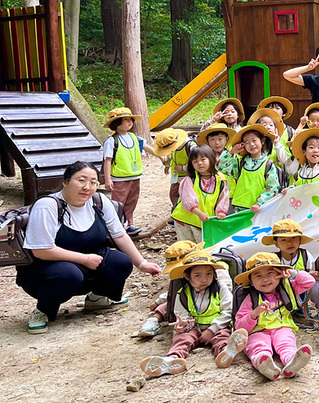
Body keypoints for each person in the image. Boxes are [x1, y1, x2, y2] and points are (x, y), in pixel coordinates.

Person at [16, 162, 162, 334]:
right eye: (81, 180)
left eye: (93, 182)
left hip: (89, 264)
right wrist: (84, 259)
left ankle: (97, 299)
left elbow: (119, 235)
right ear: (65, 181)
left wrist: (142, 264)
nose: (87, 187)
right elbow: (41, 250)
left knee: (121, 261)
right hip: (46, 271)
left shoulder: (99, 202)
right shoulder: (47, 206)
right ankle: (42, 310)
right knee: (69, 274)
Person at [140, 251, 248, 378]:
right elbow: (181, 314)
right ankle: (173, 358)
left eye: (209, 274)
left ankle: (225, 352)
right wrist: (183, 325)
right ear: (187, 276)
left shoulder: (220, 287)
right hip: (193, 327)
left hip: (217, 326)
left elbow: (228, 311)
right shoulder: (182, 293)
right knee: (182, 338)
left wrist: (212, 330)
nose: (204, 279)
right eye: (198, 275)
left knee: (222, 336)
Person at [234, 252, 315, 380]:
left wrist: (293, 274)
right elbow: (239, 326)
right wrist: (254, 314)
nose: (265, 279)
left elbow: (310, 282)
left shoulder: (288, 288)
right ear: (250, 280)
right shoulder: (250, 298)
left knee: (286, 342)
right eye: (258, 276)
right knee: (257, 344)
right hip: (258, 331)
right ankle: (263, 362)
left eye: (270, 274)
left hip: (282, 327)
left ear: (279, 274)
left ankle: (291, 362)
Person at [171, 144, 230, 243]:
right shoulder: (189, 180)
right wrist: (199, 213)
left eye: (203, 159)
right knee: (186, 248)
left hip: (203, 222)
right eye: (195, 161)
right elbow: (187, 200)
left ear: (211, 159)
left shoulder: (220, 182)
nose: (200, 163)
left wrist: (221, 212)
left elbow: (223, 199)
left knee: (203, 246)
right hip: (185, 221)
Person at [219, 124, 281, 213]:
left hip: (260, 209)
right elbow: (221, 166)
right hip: (240, 206)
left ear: (262, 141)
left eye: (254, 140)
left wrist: (259, 203)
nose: (251, 144)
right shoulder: (241, 162)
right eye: (247, 142)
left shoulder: (268, 164)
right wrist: (232, 151)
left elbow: (272, 187)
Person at [102, 106, 143, 231]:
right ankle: (117, 226)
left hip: (135, 176)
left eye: (130, 119)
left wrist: (160, 156)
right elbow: (107, 160)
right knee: (119, 203)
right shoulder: (111, 141)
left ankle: (128, 224)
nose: (129, 122)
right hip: (119, 178)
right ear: (116, 124)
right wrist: (108, 179)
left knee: (132, 201)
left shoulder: (133, 137)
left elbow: (145, 146)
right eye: (124, 120)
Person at [152, 127, 190, 209]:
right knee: (173, 194)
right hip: (176, 176)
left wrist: (183, 168)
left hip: (187, 177)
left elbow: (197, 164)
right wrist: (168, 165)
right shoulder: (174, 147)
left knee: (186, 196)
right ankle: (176, 210)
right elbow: (170, 155)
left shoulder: (190, 147)